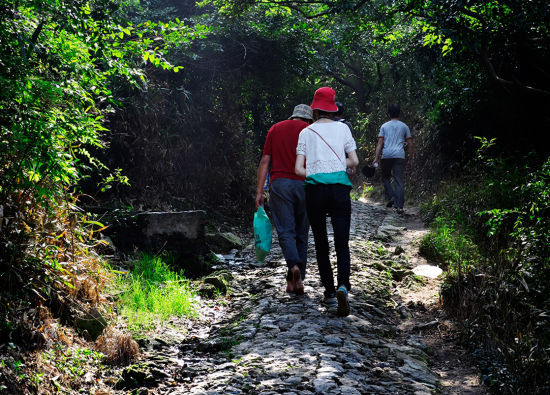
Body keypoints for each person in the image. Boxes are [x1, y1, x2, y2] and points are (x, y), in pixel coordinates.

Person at [295, 87, 359, 316]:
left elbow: (298, 168)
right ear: (332, 108)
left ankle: (330, 294)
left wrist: (316, 171)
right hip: (340, 189)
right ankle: (343, 285)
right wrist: (338, 167)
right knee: (342, 242)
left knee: (321, 243)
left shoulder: (306, 132)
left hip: (315, 191)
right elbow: (354, 161)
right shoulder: (343, 129)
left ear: (315, 108)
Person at [255, 104, 313, 295]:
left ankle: (292, 271)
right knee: (302, 232)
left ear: (293, 116)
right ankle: (299, 278)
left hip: (280, 185)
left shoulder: (275, 128)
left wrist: (259, 191)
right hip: (305, 184)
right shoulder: (311, 131)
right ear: (308, 119)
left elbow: (265, 160)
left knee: (285, 230)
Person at [373, 103, 414, 215]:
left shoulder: (384, 126)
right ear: (399, 113)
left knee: (385, 178)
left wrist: (376, 158)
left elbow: (380, 143)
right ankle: (399, 206)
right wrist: (410, 159)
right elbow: (410, 144)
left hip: (386, 155)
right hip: (400, 155)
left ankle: (391, 196)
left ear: (388, 113)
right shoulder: (404, 126)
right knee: (398, 180)